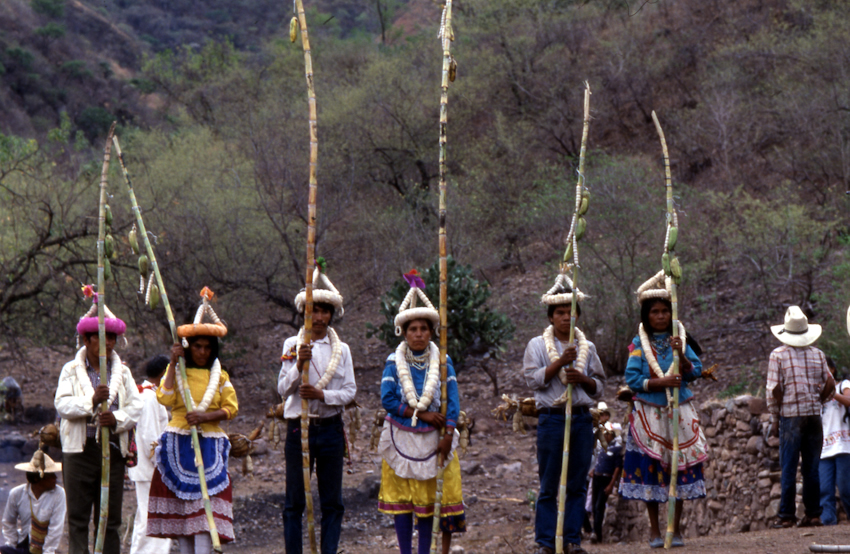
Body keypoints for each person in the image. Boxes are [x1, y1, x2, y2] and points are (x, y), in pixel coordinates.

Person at [378, 271, 466, 554]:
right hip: (400, 437)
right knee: (403, 502)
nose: (418, 334)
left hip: (434, 440)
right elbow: (388, 400)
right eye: (412, 329)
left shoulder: (443, 361)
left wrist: (448, 434)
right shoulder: (394, 362)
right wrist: (422, 414)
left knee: (429, 502)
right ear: (404, 333)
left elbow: (452, 402)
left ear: (431, 332)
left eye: (423, 329)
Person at [618, 272, 707, 548]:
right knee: (653, 470)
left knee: (678, 470)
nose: (661, 316)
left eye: (665, 311)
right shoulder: (638, 345)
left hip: (678, 412)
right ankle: (655, 531)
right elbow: (632, 379)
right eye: (655, 312)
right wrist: (660, 382)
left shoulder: (679, 338)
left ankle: (675, 529)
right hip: (649, 415)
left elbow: (696, 371)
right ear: (647, 315)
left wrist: (681, 357)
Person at [147, 289, 238, 553]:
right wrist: (174, 361)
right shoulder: (176, 371)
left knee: (204, 511)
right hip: (177, 442)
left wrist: (205, 417)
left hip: (209, 446)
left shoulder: (220, 376)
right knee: (182, 514)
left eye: (207, 347)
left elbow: (230, 408)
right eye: (197, 346)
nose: (201, 352)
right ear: (189, 347)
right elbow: (164, 398)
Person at [523, 273, 605, 554]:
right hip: (552, 419)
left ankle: (572, 540)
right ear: (550, 317)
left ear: (578, 316)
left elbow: (600, 388)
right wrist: (561, 361)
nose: (566, 317)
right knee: (548, 483)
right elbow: (533, 381)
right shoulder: (536, 346)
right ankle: (546, 542)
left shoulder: (588, 347)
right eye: (560, 312)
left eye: (571, 312)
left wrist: (581, 378)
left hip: (581, 419)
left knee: (577, 482)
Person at [54, 299, 142, 554]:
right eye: (102, 339)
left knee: (110, 519)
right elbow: (62, 405)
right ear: (87, 340)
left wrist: (116, 419)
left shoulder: (123, 373)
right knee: (78, 518)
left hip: (112, 451)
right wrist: (91, 401)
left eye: (112, 339)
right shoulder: (70, 370)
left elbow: (136, 408)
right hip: (78, 453)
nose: (109, 344)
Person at [278, 267, 356, 554]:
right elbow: (282, 390)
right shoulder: (292, 345)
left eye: (325, 312)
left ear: (331, 315)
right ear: (304, 314)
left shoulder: (342, 349)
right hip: (299, 428)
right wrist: (299, 366)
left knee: (332, 501)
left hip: (331, 429)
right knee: (294, 501)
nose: (320, 318)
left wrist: (321, 394)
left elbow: (350, 392)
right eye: (315, 311)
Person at [766, 305, 834, 528]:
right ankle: (813, 514)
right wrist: (818, 402)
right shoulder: (819, 355)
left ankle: (786, 516)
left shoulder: (778, 356)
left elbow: (774, 390)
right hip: (814, 415)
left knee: (789, 465)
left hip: (791, 415)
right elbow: (829, 386)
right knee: (811, 467)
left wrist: (775, 418)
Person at [129, 355, 172, 554]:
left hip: (147, 467)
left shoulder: (150, 396)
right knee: (154, 517)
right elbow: (149, 437)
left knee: (146, 516)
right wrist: (162, 463)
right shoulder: (149, 398)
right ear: (164, 374)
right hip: (150, 468)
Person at [1, 451, 66, 554]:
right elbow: (8, 522)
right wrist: (11, 545)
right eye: (51, 475)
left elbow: (55, 529)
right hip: (23, 546)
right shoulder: (16, 494)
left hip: (44, 549)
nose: (55, 478)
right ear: (37, 478)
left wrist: (48, 552)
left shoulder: (59, 494)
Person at [819, 357, 850, 525]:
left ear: (832, 369)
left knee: (846, 488)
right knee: (824, 489)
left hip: (844, 444)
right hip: (824, 447)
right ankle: (827, 523)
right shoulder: (817, 394)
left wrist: (832, 393)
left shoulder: (843, 385)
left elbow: (849, 401)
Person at [589, 423, 623, 543]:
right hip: (597, 478)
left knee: (599, 506)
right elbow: (599, 462)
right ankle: (597, 534)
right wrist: (593, 471)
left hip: (605, 479)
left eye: (606, 434)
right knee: (594, 506)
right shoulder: (602, 448)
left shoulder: (617, 449)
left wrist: (611, 484)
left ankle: (595, 533)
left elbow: (617, 468)